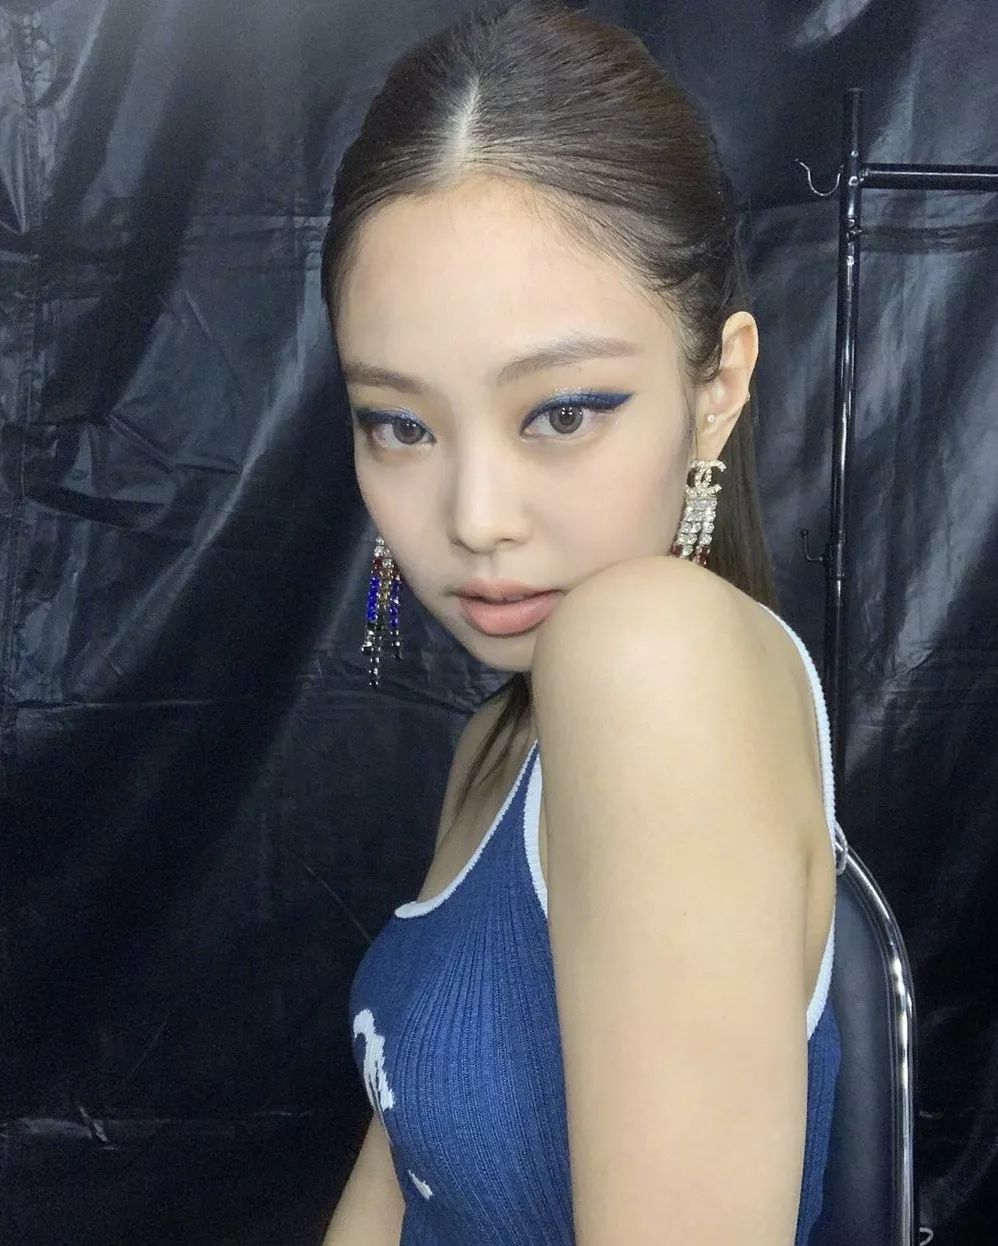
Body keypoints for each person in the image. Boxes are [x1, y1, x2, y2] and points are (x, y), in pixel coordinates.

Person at [319, 2, 841, 1243]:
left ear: (716, 388)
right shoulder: (498, 745)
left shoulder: (650, 658)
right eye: (400, 423)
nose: (474, 517)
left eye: (561, 412)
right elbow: (401, 1172)